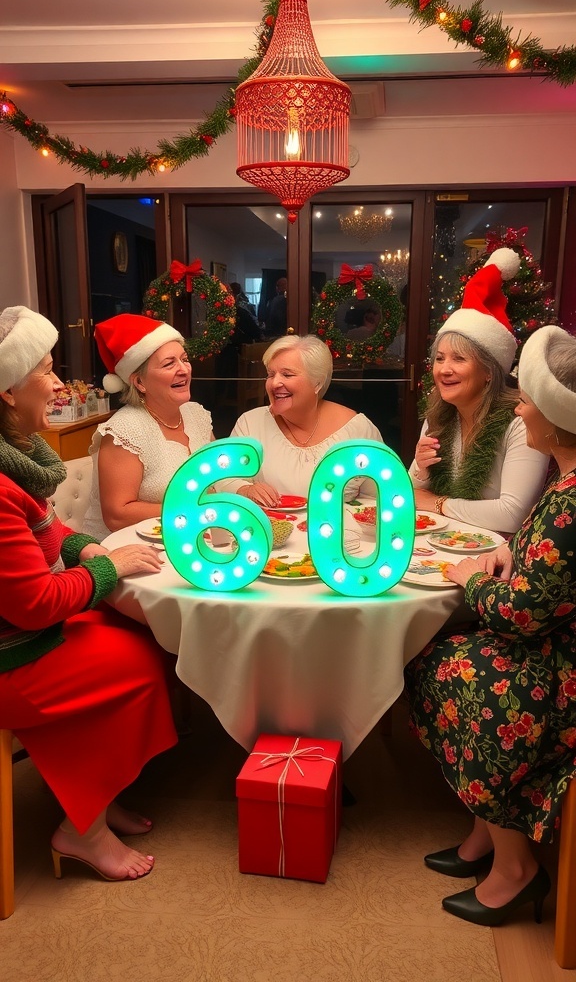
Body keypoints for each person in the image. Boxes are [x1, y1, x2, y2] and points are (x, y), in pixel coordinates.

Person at [406, 324, 576, 927]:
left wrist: (471, 578)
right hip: (552, 643)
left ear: (552, 419)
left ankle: (516, 868)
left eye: (528, 399)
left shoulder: (570, 499)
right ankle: (485, 833)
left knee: (463, 677)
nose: (520, 406)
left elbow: (524, 613)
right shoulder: (566, 483)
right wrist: (507, 557)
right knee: (435, 657)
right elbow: (537, 557)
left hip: (562, 673)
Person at [0, 306, 178, 882]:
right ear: (7, 393)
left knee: (134, 637)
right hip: (10, 660)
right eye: (46, 372)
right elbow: (33, 604)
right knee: (137, 664)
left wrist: (86, 550)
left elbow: (47, 528)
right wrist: (111, 568)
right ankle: (81, 830)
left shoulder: (19, 461)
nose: (58, 384)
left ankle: (94, 796)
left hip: (23, 641)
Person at [409, 248, 549, 533]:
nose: (444, 369)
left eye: (459, 359)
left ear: (488, 371)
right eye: (439, 358)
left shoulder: (520, 421)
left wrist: (437, 503)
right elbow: (411, 494)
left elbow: (512, 514)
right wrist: (420, 471)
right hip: (442, 543)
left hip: (498, 555)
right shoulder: (438, 417)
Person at [83, 313, 214, 540]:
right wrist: (195, 511)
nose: (184, 369)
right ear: (139, 382)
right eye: (169, 364)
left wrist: (241, 492)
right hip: (126, 549)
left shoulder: (196, 415)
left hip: (187, 538)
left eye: (185, 359)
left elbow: (214, 482)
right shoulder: (125, 430)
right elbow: (117, 515)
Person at [215, 333, 384, 506]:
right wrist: (244, 489)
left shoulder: (358, 431)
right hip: (269, 531)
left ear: (317, 382)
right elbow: (222, 478)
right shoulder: (250, 423)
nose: (274, 384)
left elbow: (378, 495)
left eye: (287, 375)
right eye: (271, 374)